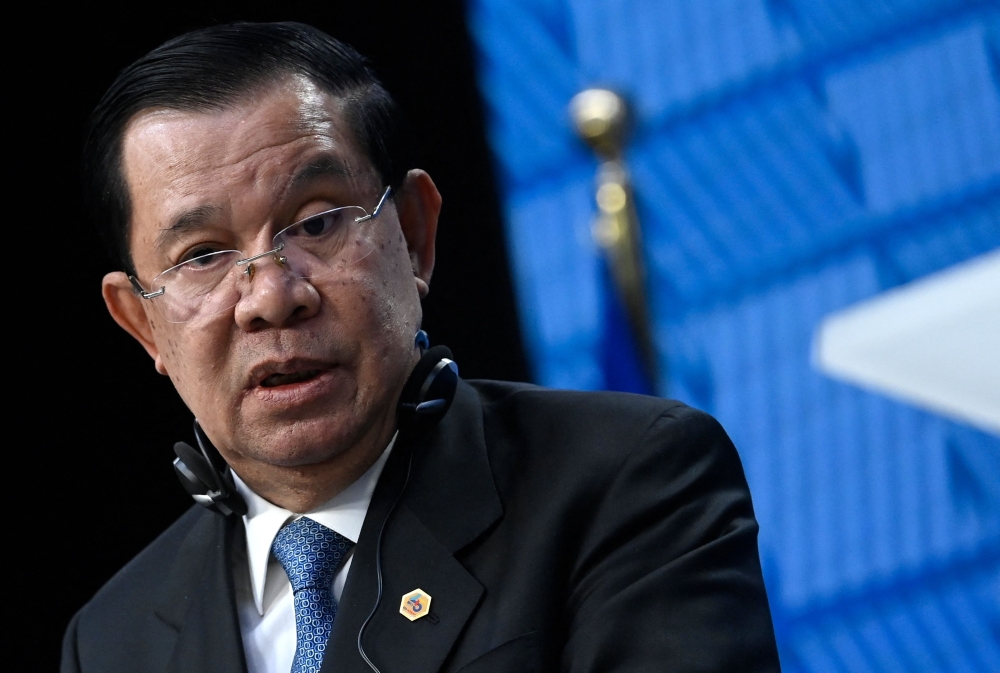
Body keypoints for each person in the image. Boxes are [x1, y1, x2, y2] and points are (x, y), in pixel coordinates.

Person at [62, 21, 780, 673]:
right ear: (143, 324)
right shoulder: (112, 640)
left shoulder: (628, 483)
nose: (272, 296)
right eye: (203, 256)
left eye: (315, 223)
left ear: (414, 234)